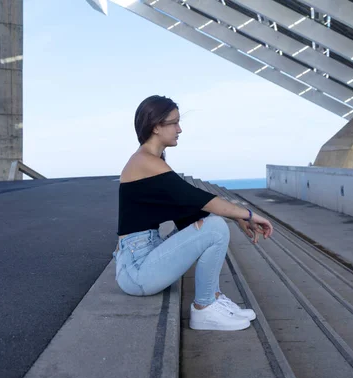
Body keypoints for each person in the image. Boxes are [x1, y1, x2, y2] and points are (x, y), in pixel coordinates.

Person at [113, 95, 273, 331]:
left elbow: (187, 210)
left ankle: (213, 297)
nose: (180, 129)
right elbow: (197, 198)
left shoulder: (151, 161)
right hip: (137, 272)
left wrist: (236, 217)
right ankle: (204, 308)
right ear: (156, 126)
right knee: (216, 227)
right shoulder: (144, 162)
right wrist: (247, 214)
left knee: (209, 224)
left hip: (142, 258)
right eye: (174, 122)